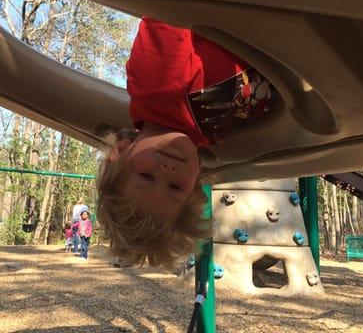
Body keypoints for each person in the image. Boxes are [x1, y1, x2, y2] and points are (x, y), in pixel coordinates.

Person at [97, 17, 276, 268]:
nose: (167, 171)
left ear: (123, 150)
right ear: (194, 184)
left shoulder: (157, 85)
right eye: (175, 188)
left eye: (146, 176)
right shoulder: (212, 134)